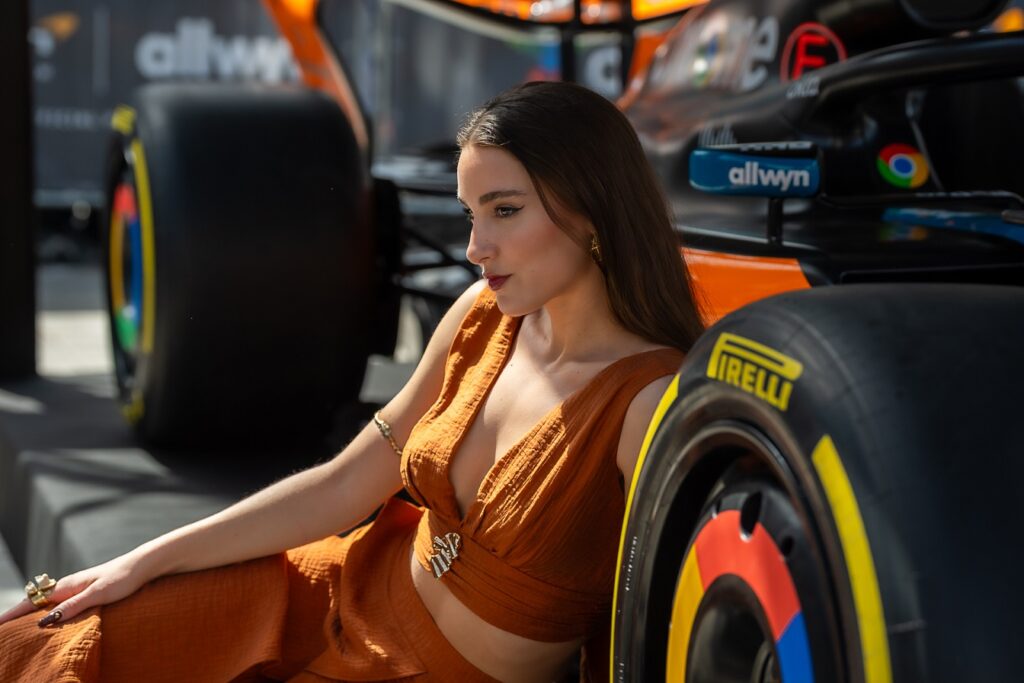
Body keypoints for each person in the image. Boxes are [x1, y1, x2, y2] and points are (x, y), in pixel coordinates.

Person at [0, 81, 704, 682]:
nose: (474, 247)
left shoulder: (646, 399)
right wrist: (146, 560)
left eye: (505, 209)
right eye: (471, 213)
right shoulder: (482, 316)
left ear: (592, 206)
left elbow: (654, 626)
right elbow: (344, 485)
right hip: (338, 589)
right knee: (48, 638)